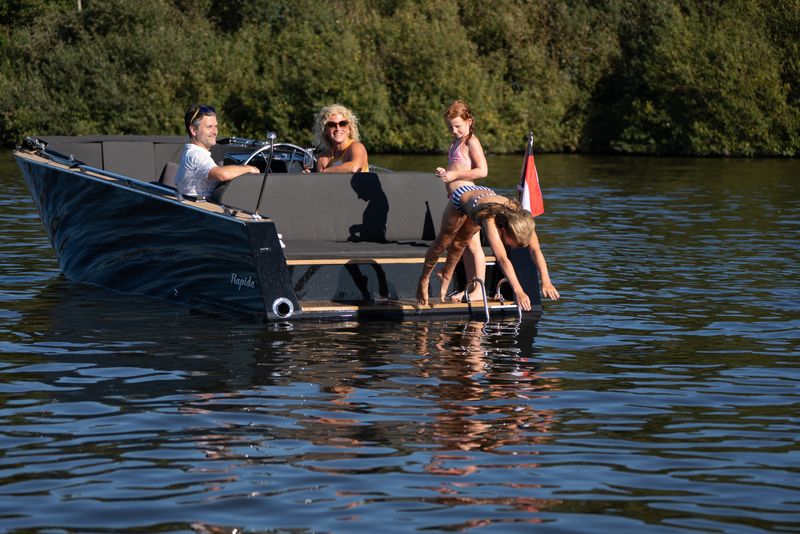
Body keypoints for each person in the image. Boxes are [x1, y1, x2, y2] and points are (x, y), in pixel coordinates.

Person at [417, 185, 560, 311]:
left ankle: (446, 273)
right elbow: (502, 259)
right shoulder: (489, 219)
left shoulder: (524, 221)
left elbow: (535, 250)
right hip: (463, 197)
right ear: (503, 231)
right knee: (442, 243)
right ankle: (423, 279)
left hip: (482, 202)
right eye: (513, 244)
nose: (514, 248)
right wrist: (518, 291)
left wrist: (546, 281)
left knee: (460, 243)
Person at [435, 101, 488, 302]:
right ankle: (470, 286)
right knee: (462, 244)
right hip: (455, 199)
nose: (454, 131)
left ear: (469, 121)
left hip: (468, 198)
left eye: (458, 126)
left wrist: (454, 176)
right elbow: (456, 167)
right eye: (450, 127)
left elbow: (482, 171)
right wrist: (445, 172)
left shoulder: (471, 141)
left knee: (473, 245)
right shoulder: (455, 143)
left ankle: (479, 289)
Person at [174, 104, 259, 198]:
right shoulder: (196, 155)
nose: (215, 132)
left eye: (216, 126)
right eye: (209, 127)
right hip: (198, 206)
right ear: (194, 130)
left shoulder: (191, 153)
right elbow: (222, 174)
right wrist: (249, 168)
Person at [312, 104, 369, 173]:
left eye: (342, 124)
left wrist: (325, 171)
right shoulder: (323, 158)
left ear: (349, 128)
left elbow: (355, 168)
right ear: (325, 130)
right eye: (332, 125)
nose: (338, 129)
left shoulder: (357, 147)